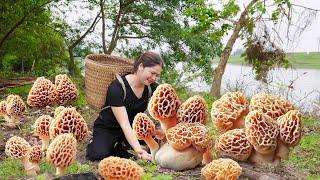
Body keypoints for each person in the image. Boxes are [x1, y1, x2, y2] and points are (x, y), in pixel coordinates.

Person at [86, 51, 164, 161]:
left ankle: (121, 145)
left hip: (132, 128)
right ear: (141, 66)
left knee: (151, 146)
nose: (154, 78)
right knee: (99, 154)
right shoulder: (117, 88)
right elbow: (124, 124)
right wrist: (139, 150)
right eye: (152, 73)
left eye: (157, 75)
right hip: (110, 127)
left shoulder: (151, 87)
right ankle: (97, 141)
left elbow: (169, 98)